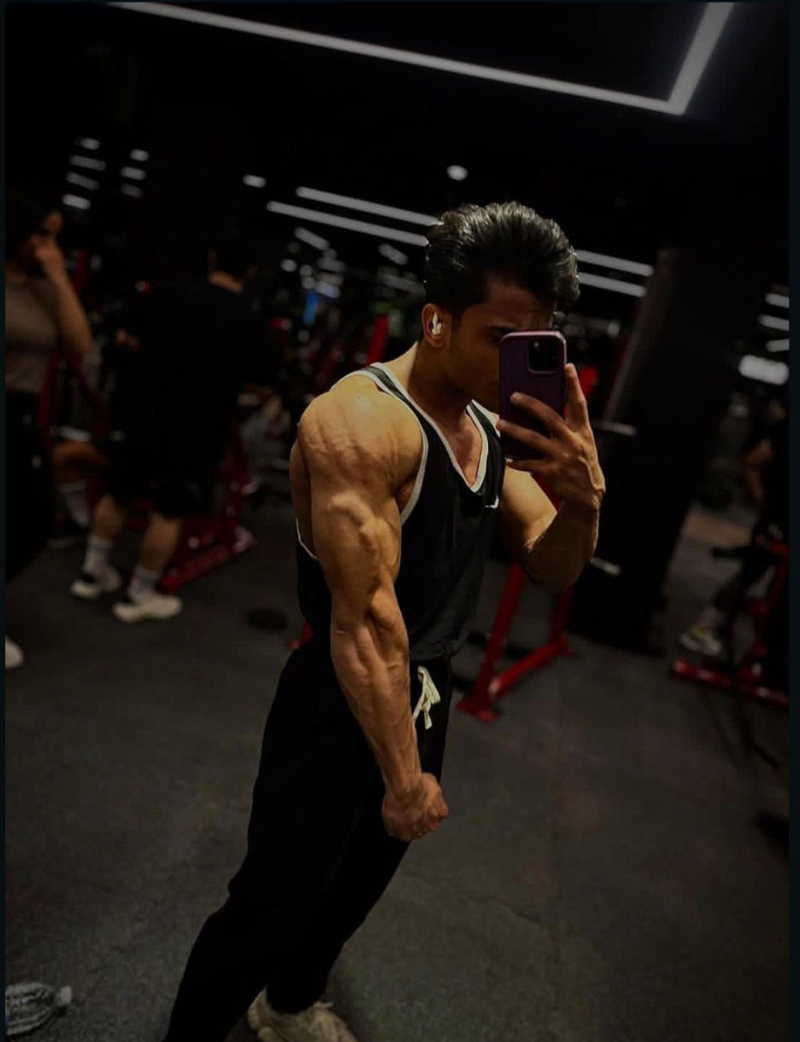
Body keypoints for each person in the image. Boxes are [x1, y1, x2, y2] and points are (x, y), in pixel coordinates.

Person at [161, 202, 605, 1042]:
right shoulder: (362, 424)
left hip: (427, 687)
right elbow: (365, 622)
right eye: (500, 336)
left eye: (536, 339)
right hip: (340, 692)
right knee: (272, 898)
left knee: (355, 887)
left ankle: (286, 1006)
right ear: (436, 320)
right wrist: (403, 779)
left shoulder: (486, 428)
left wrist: (584, 498)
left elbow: (553, 564)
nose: (517, 358)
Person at [69, 232, 274, 622]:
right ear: (249, 272)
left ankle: (91, 574)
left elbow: (124, 335)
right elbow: (261, 384)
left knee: (119, 491)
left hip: (143, 412)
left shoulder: (169, 294)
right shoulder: (249, 320)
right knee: (169, 509)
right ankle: (138, 596)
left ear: (212, 258)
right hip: (197, 426)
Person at [5, 187, 92, 668]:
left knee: (33, 520)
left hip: (20, 414)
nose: (48, 247)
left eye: (56, 238)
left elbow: (79, 345)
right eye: (41, 235)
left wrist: (59, 276)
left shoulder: (44, 288)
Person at [679, 406, 788, 664]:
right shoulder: (787, 429)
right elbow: (751, 461)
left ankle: (768, 650)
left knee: (779, 586)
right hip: (775, 520)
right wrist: (763, 502)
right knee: (750, 572)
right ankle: (702, 628)